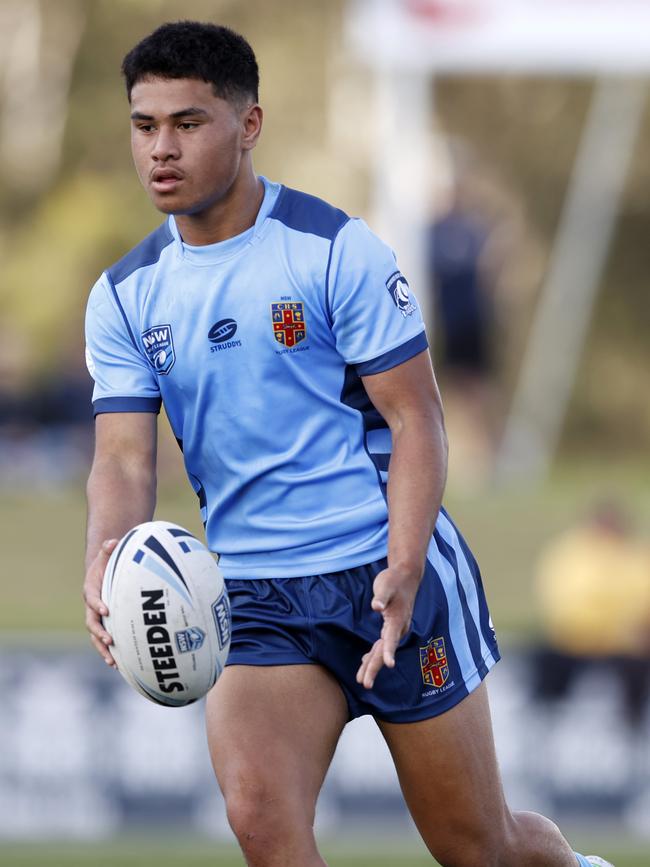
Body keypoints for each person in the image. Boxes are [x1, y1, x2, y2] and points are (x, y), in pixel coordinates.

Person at [82, 21, 613, 867]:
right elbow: (122, 458)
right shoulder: (124, 296)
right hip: (253, 596)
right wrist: (106, 556)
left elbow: (418, 420)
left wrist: (403, 566)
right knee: (260, 817)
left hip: (381, 564)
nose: (161, 150)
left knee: (480, 847)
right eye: (145, 126)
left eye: (188, 123)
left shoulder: (334, 252)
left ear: (248, 124)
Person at [533, 500, 650, 731]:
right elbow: (563, 601)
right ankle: (546, 729)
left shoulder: (636, 555)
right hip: (575, 641)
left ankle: (632, 731)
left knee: (637, 670)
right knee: (545, 662)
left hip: (624, 646)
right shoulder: (570, 553)